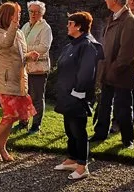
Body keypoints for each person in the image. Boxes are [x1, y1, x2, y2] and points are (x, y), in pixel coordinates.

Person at [92, 0, 134, 149]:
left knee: (123, 108)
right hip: (109, 69)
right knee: (105, 105)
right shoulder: (113, 17)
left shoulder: (129, 21)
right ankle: (100, 133)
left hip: (122, 73)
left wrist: (113, 69)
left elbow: (126, 53)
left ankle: (128, 140)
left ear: (115, 1)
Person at [54, 11, 100, 180]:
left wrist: (78, 91)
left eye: (70, 23)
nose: (67, 26)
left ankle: (82, 166)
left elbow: (87, 71)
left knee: (78, 130)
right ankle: (72, 159)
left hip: (77, 95)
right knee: (69, 128)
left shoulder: (87, 45)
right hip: (67, 93)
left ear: (79, 26)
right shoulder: (73, 44)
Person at [0, 2, 38, 162]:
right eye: (16, 13)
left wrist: (28, 56)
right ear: (8, 15)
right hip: (4, 80)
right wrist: (13, 26)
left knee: (13, 116)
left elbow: (19, 55)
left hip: (18, 80)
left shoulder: (18, 33)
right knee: (10, 114)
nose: (19, 16)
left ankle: (1, 146)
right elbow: (5, 43)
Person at [14, 0, 53, 135]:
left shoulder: (45, 28)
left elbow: (44, 47)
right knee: (24, 95)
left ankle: (36, 125)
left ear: (42, 13)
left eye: (37, 12)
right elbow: (18, 42)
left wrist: (25, 49)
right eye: (31, 11)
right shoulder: (25, 26)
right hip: (25, 67)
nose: (33, 14)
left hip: (38, 68)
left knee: (37, 97)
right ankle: (23, 122)